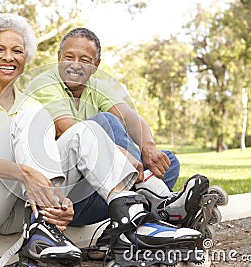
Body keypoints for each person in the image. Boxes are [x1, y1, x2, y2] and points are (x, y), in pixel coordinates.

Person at [0, 15, 201, 266]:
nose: (8, 57)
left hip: (13, 213)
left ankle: (130, 221)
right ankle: (156, 202)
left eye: (17, 51)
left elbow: (50, 160)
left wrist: (60, 202)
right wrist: (25, 175)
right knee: (31, 118)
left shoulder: (29, 103)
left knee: (83, 132)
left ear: (26, 57)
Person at [24, 27, 209, 228]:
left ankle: (140, 210)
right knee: (105, 121)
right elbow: (64, 127)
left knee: (166, 162)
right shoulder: (44, 83)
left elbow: (130, 117)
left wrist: (148, 147)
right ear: (59, 57)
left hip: (102, 190)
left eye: (85, 60)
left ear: (96, 65)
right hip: (65, 196)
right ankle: (160, 203)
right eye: (69, 57)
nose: (75, 65)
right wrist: (119, 155)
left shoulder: (96, 85)